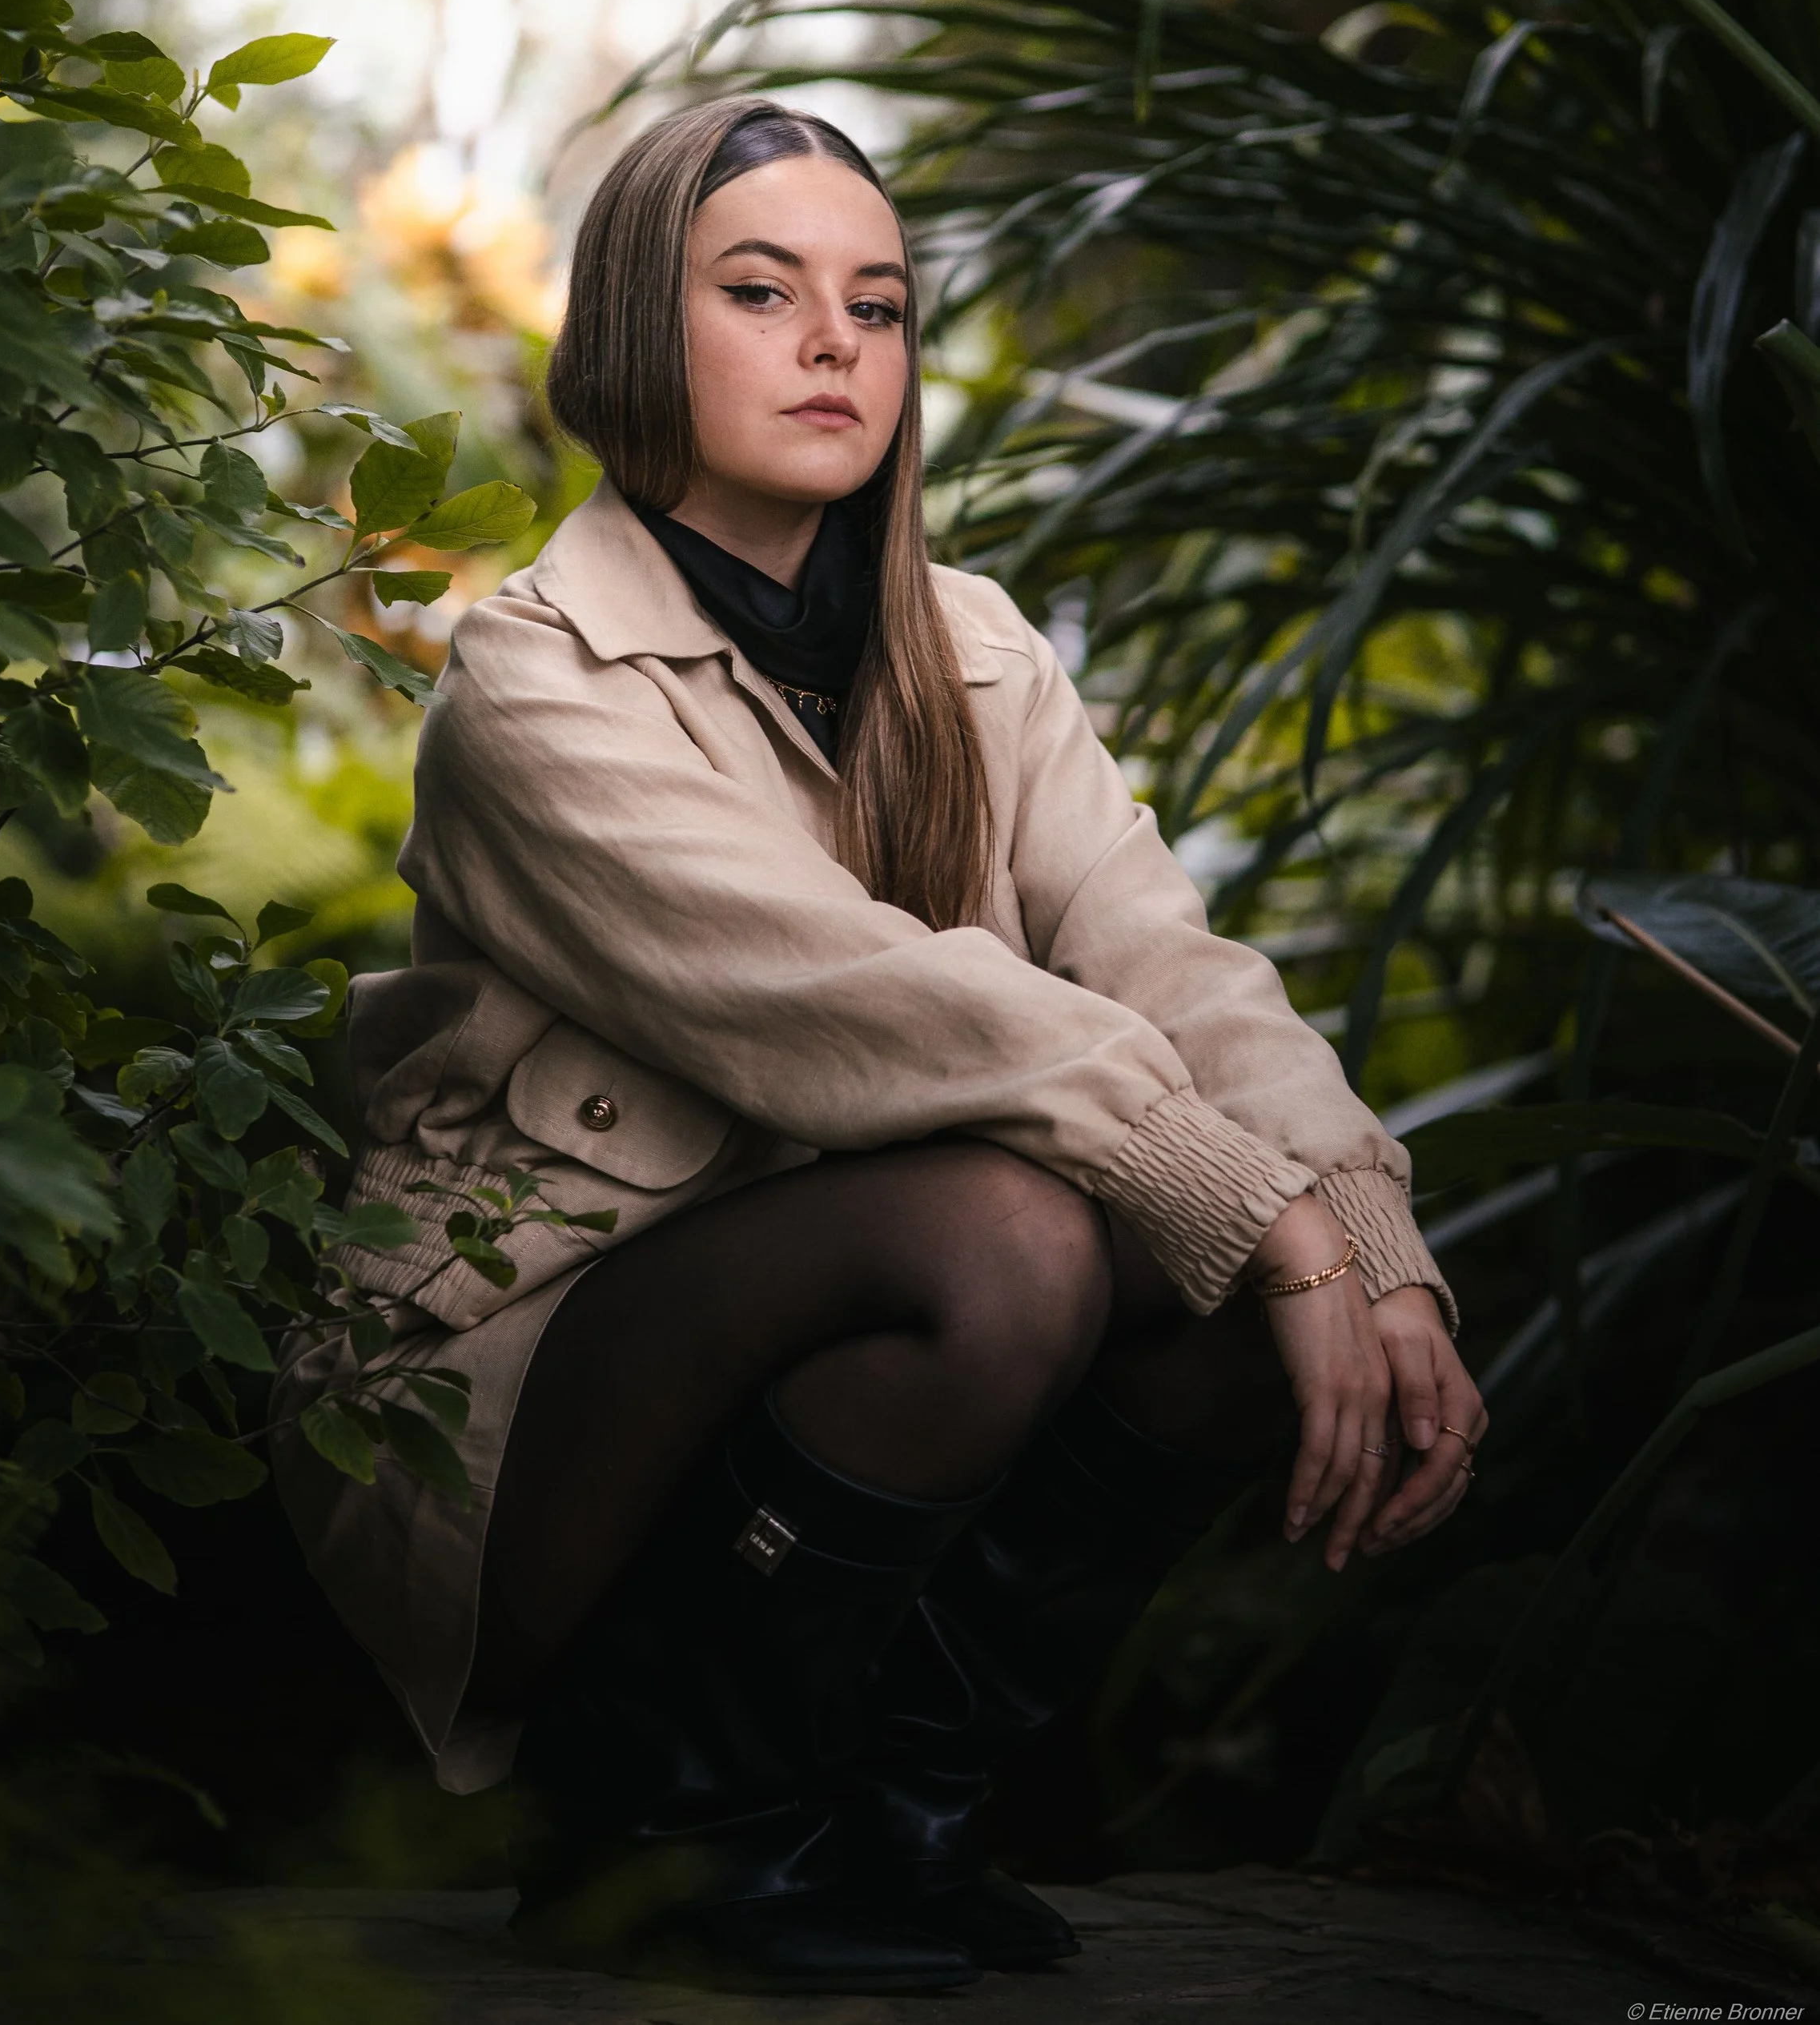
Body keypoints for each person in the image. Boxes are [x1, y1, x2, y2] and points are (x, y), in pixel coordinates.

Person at [273, 96, 1485, 1995]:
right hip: (516, 1389)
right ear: (627, 333)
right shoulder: (528, 681)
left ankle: (896, 1810)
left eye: (879, 302)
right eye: (761, 290)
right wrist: (1246, 1201)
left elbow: (1166, 956)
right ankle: (678, 1825)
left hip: (821, 1336)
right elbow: (852, 996)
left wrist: (1356, 1222)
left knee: (1233, 1281)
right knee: (1011, 1230)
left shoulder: (976, 650)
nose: (837, 342)